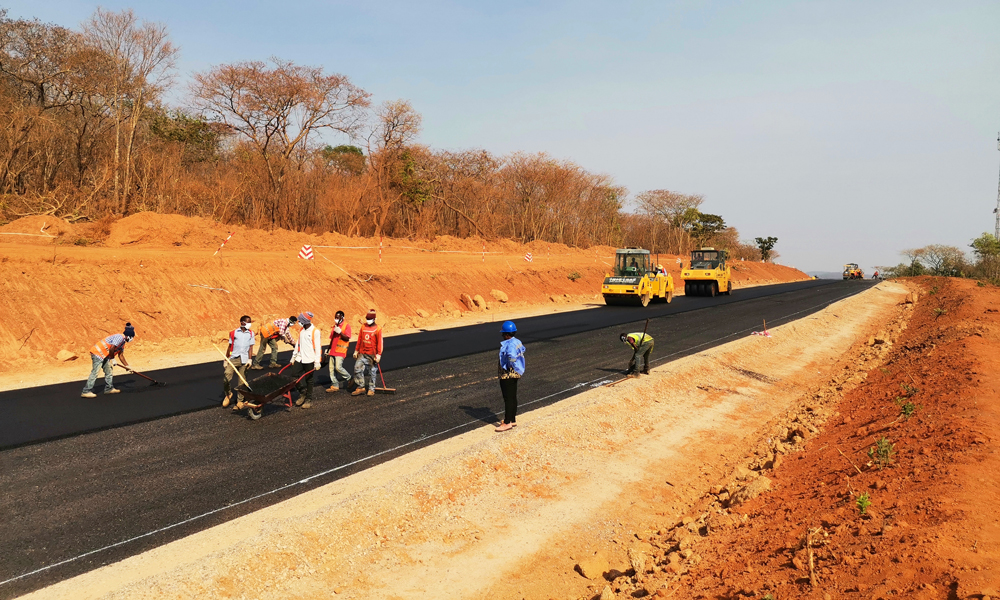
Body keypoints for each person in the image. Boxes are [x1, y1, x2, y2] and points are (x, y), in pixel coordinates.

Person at [81, 323, 135, 397]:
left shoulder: (122, 343)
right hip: (97, 353)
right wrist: (113, 359)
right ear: (128, 336)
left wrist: (127, 366)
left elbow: (121, 355)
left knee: (109, 370)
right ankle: (86, 391)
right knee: (95, 372)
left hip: (104, 356)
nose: (132, 339)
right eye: (132, 337)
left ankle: (109, 389)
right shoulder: (119, 337)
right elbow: (112, 348)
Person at [496, 320, 526, 432]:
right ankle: (512, 419)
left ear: (506, 334)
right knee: (513, 396)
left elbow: (511, 356)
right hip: (518, 371)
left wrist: (509, 366)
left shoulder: (509, 344)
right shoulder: (517, 341)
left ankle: (507, 422)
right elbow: (523, 349)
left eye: (503, 333)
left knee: (508, 398)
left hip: (508, 374)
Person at [288, 311, 322, 409]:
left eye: (301, 320)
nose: (299, 322)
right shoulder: (302, 330)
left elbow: (318, 347)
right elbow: (298, 344)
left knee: (309, 380)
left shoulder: (315, 331)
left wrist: (317, 361)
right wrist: (293, 357)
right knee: (294, 376)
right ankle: (303, 392)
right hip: (300, 357)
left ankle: (308, 399)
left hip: (310, 359)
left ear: (305, 321)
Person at [222, 316, 255, 408]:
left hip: (244, 360)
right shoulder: (234, 333)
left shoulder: (251, 334)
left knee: (242, 381)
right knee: (226, 377)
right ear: (242, 322)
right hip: (233, 358)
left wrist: (250, 359)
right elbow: (229, 346)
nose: (250, 324)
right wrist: (226, 359)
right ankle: (228, 394)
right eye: (248, 322)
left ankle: (240, 400)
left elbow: (251, 347)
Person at [352, 309, 383, 397]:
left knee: (372, 371)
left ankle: (371, 388)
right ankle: (361, 386)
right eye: (367, 319)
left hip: (372, 354)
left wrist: (378, 354)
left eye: (369, 319)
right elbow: (359, 339)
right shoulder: (363, 327)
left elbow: (380, 342)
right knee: (357, 368)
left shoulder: (378, 329)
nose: (367, 321)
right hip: (362, 352)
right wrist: (356, 350)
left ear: (374, 319)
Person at [326, 310, 352, 392]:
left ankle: (349, 378)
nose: (336, 319)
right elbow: (332, 339)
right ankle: (334, 385)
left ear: (342, 318)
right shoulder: (334, 326)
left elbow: (347, 338)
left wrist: (340, 332)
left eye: (337, 317)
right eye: (335, 317)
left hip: (340, 351)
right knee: (331, 369)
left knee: (338, 367)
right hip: (332, 351)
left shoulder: (346, 326)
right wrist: (328, 349)